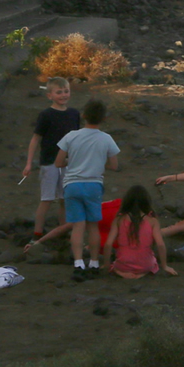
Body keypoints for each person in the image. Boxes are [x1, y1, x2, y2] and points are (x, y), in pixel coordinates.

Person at [55, 99, 120, 282]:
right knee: (93, 225)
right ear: (104, 118)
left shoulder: (71, 136)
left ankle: (78, 263)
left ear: (83, 115)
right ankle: (93, 262)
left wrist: (72, 162)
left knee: (77, 225)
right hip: (93, 185)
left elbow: (58, 162)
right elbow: (114, 165)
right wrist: (98, 162)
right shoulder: (106, 139)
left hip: (72, 185)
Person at [22, 77, 80, 242]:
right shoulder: (46, 115)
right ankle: (37, 233)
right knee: (46, 199)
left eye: (66, 91)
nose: (63, 95)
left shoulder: (74, 114)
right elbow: (35, 139)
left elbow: (76, 139)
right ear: (50, 95)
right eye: (59, 92)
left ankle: (63, 230)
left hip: (68, 163)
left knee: (64, 199)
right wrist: (29, 163)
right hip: (49, 162)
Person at [104, 185, 177, 279]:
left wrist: (106, 265)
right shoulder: (152, 221)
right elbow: (160, 244)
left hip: (123, 265)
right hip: (145, 266)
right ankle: (139, 273)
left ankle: (123, 272)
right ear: (147, 202)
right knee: (152, 262)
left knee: (116, 264)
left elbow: (108, 244)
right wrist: (165, 266)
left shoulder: (119, 220)